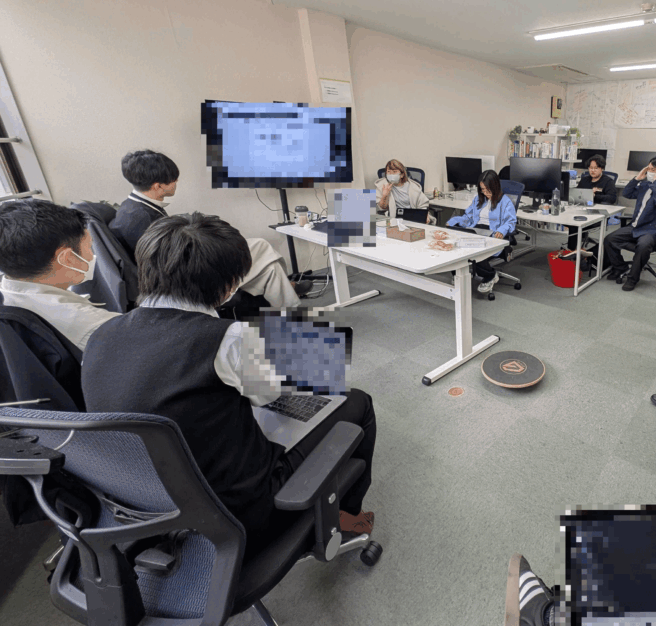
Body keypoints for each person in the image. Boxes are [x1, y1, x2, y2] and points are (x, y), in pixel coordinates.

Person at [79, 213, 377, 549]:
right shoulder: (227, 337)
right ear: (227, 286)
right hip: (240, 511)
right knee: (357, 401)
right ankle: (346, 516)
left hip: (147, 510)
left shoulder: (100, 335)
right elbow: (272, 396)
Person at [109, 150, 309, 305]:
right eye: (173, 180)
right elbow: (170, 265)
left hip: (183, 269)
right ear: (158, 186)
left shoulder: (132, 208)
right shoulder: (142, 218)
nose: (176, 182)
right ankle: (291, 297)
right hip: (188, 282)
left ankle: (290, 305)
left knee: (270, 269)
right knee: (262, 246)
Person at [0, 200, 117, 352]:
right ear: (67, 258)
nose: (92, 254)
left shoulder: (6, 300)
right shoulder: (95, 325)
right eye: (89, 246)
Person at [603, 156, 656, 292]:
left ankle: (632, 279)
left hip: (652, 230)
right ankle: (620, 268)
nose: (649, 172)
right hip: (636, 226)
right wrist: (637, 178)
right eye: (648, 169)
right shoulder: (645, 185)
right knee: (609, 239)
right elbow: (627, 193)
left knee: (643, 245)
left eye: (653, 170)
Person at [446, 169, 517, 294]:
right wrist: (453, 221)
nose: (485, 193)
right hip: (475, 231)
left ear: (495, 186)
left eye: (488, 189)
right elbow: (468, 217)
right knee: (455, 247)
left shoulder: (505, 202)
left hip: (493, 234)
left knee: (475, 252)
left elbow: (510, 222)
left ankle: (490, 275)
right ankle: (457, 274)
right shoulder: (478, 199)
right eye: (482, 189)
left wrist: (502, 230)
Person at [565, 154, 618, 256]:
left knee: (575, 224)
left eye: (596, 168)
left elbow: (612, 198)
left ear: (601, 168)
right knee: (572, 221)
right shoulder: (585, 180)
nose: (592, 170)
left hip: (597, 213)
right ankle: (573, 250)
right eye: (590, 168)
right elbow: (577, 194)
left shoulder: (608, 181)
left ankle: (572, 251)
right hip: (582, 209)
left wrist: (594, 196)